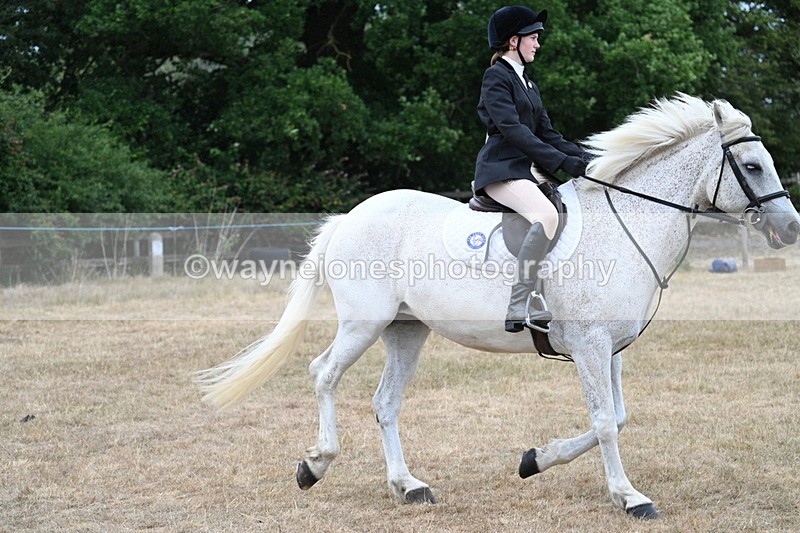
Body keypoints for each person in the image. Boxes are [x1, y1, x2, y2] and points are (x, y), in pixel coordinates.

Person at [474, 5, 593, 334]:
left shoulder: (528, 83)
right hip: (501, 169)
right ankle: (519, 302)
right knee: (547, 215)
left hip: (526, 170)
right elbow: (514, 131)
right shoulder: (496, 77)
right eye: (533, 37)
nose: (538, 43)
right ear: (514, 41)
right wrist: (560, 162)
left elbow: (548, 135)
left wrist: (587, 158)